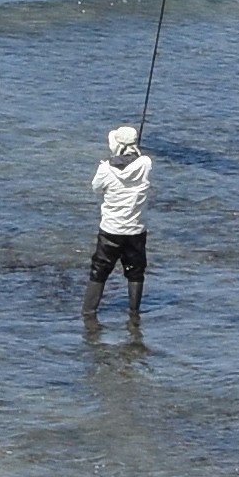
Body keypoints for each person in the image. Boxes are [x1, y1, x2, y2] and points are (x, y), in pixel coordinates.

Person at [83, 121, 152, 327]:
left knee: (99, 270)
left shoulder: (105, 169)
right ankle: (134, 315)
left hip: (111, 230)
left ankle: (88, 313)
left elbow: (96, 188)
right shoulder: (146, 164)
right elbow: (137, 161)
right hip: (136, 230)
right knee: (135, 270)